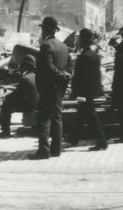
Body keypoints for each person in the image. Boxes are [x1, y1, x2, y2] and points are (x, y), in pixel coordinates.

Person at [30, 17, 71, 160]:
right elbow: (70, 65)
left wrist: (60, 75)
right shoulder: (63, 46)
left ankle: (43, 151)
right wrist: (65, 76)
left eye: (42, 29)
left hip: (48, 87)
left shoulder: (46, 45)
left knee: (44, 118)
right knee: (57, 118)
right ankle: (56, 149)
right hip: (60, 88)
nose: (41, 32)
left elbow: (48, 67)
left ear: (45, 30)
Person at [70, 28, 107, 151]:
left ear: (84, 40)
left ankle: (102, 141)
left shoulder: (84, 57)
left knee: (91, 115)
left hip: (86, 91)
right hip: (91, 90)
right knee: (81, 114)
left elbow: (81, 77)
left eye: (80, 39)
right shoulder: (94, 55)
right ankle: (74, 138)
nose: (78, 41)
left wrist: (76, 92)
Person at [0, 56, 38, 137]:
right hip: (37, 103)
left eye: (22, 65)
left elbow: (17, 95)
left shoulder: (25, 78)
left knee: (6, 106)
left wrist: (6, 97)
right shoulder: (36, 76)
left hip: (30, 106)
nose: (20, 67)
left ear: (26, 66)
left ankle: (5, 131)